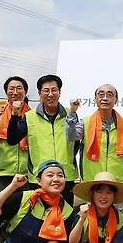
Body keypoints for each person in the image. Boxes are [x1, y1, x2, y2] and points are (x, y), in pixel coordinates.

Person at [7, 74, 80, 204]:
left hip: (65, 177)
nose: (50, 94)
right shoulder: (29, 117)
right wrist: (14, 116)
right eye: (46, 90)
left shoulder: (70, 114)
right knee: (40, 219)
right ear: (40, 94)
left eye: (54, 90)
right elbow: (12, 140)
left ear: (59, 92)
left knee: (65, 217)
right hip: (39, 178)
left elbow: (76, 143)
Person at [67, 84, 123, 184]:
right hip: (92, 182)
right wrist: (72, 113)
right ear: (95, 99)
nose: (105, 98)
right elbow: (71, 137)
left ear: (116, 100)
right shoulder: (86, 122)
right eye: (101, 94)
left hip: (117, 183)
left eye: (110, 95)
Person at [0, 76, 31, 194]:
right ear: (6, 92)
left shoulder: (33, 115)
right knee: (3, 209)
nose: (15, 92)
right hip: (3, 173)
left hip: (27, 174)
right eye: (11, 89)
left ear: (25, 92)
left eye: (19, 88)